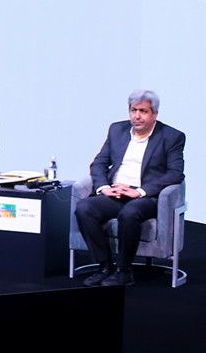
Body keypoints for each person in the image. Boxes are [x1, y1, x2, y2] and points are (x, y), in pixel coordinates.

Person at [76, 88, 186, 287]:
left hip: (146, 196)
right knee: (85, 208)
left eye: (143, 111)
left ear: (154, 114)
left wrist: (139, 191)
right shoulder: (117, 130)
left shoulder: (171, 136)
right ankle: (105, 266)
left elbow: (175, 173)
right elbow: (99, 163)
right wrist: (104, 187)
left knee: (129, 213)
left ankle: (124, 270)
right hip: (116, 191)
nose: (137, 116)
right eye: (133, 110)